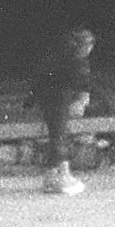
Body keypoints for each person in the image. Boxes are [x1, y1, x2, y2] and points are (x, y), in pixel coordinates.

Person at [29, 27, 97, 195]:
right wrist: (79, 100)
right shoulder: (74, 62)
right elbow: (80, 83)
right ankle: (63, 174)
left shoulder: (66, 60)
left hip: (54, 98)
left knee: (58, 133)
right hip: (58, 99)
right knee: (59, 134)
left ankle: (51, 175)